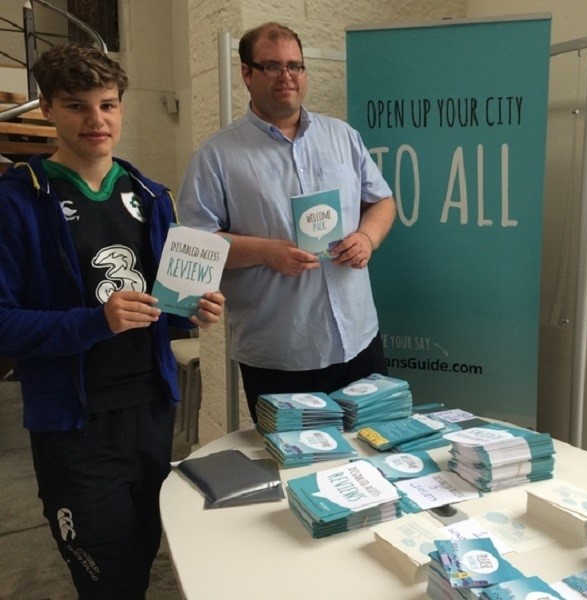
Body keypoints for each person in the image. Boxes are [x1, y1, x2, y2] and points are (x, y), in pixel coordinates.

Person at [0, 43, 225, 598]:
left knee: (143, 550)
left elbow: (161, 313)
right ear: (47, 109)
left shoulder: (150, 195)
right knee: (105, 575)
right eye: (77, 105)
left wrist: (191, 311)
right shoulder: (15, 202)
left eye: (108, 104)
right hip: (75, 425)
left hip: (149, 410)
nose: (96, 120)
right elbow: (4, 324)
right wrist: (94, 322)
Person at [178, 22, 396, 423]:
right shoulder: (216, 156)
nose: (287, 77)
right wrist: (265, 252)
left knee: (375, 457)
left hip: (358, 339)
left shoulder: (343, 137)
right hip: (281, 355)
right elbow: (195, 243)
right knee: (293, 473)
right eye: (272, 66)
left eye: (295, 66)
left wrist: (368, 236)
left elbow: (382, 200)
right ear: (246, 73)